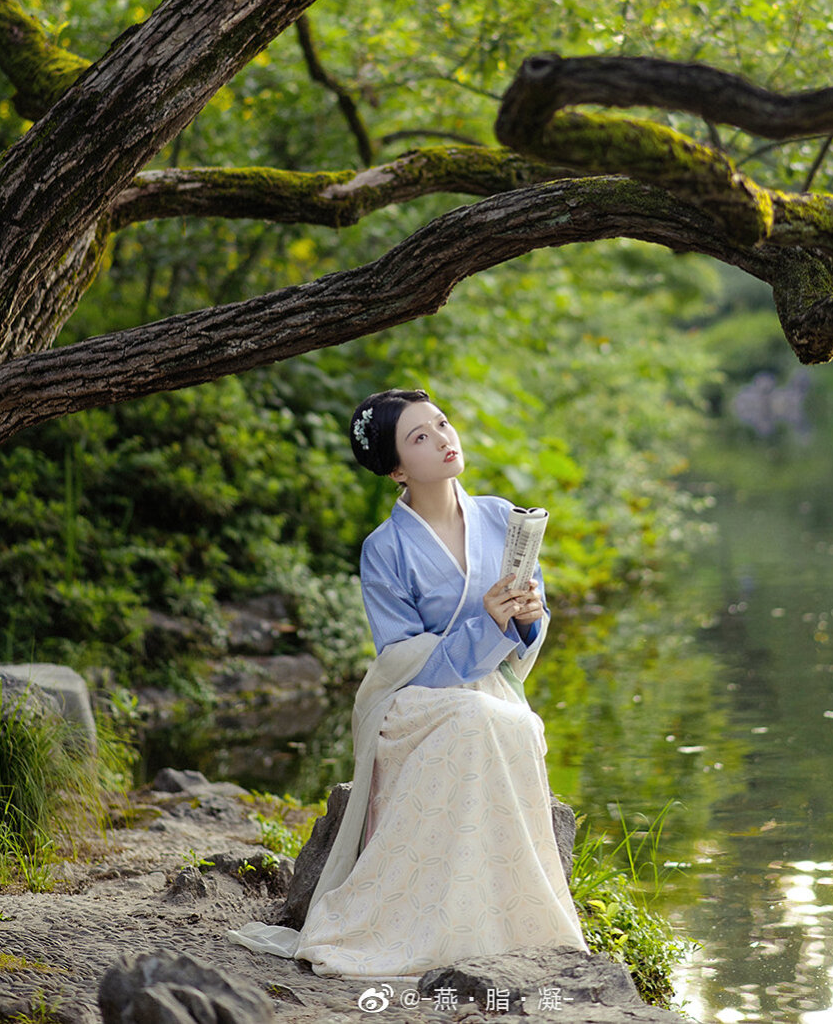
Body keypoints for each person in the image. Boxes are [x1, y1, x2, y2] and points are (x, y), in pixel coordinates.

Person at [230, 387, 586, 976]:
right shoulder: (384, 548)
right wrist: (486, 623)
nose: (444, 439)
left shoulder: (502, 517)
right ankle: (410, 925)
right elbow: (407, 659)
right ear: (396, 468)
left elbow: (530, 629)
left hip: (491, 690)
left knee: (509, 722)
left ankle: (507, 920)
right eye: (420, 436)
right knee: (475, 721)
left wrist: (525, 618)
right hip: (413, 701)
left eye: (442, 424)